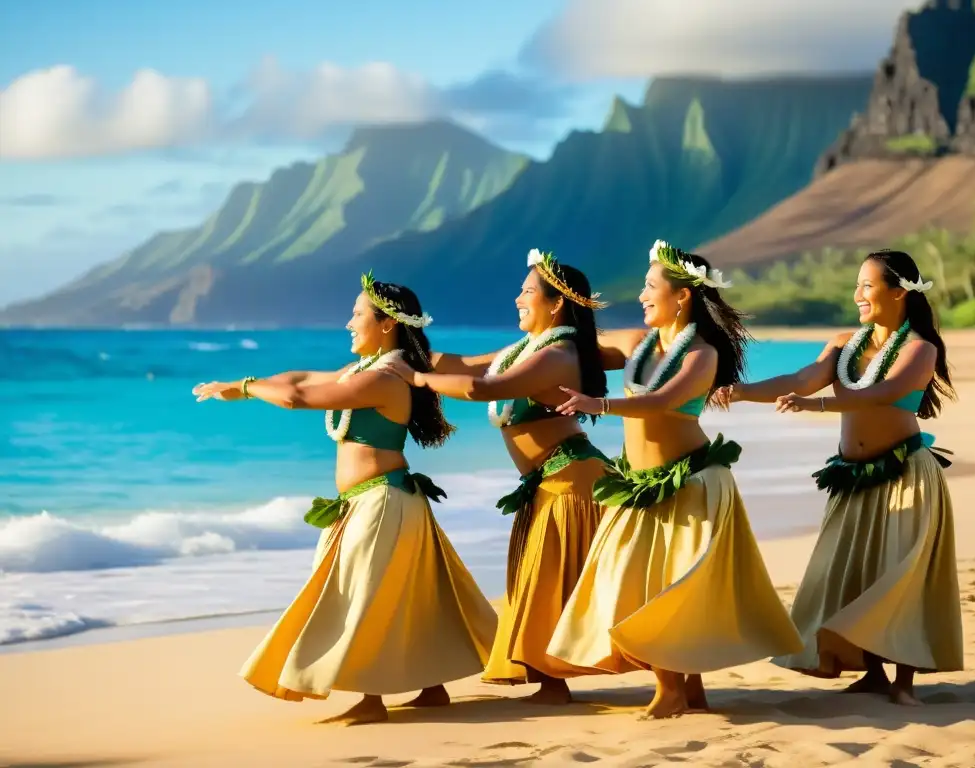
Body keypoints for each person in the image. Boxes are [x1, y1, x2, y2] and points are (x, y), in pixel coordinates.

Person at [192, 273, 497, 725]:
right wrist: (235, 384)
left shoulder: (385, 378)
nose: (349, 323)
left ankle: (371, 701)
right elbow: (298, 376)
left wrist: (250, 386)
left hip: (382, 502)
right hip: (374, 501)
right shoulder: (362, 371)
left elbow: (297, 397)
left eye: (357, 315)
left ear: (387, 324)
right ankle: (432, 689)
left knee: (362, 597)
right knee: (406, 596)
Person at [549, 240, 803, 720]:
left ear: (681, 296)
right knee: (648, 583)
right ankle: (691, 689)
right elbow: (576, 345)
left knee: (674, 588)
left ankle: (671, 691)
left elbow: (662, 401)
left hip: (690, 484)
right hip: (639, 484)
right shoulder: (636, 343)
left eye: (649, 286)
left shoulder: (701, 355)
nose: (641, 295)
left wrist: (598, 405)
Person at [714, 249, 961, 706]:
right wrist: (743, 391)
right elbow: (803, 377)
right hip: (853, 478)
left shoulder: (920, 350)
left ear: (899, 292)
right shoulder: (845, 343)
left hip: (905, 473)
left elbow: (884, 394)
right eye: (857, 285)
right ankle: (872, 675)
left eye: (868, 285)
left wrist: (818, 407)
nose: (858, 294)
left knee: (899, 574)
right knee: (856, 573)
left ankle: (904, 682)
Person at [384, 249, 609, 705]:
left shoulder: (559, 355)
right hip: (545, 482)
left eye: (527, 292)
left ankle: (670, 678)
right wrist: (400, 348)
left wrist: (417, 379)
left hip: (571, 480)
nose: (517, 298)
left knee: (561, 584)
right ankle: (553, 685)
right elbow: (464, 366)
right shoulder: (523, 350)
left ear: (556, 304)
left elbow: (482, 387)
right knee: (541, 582)